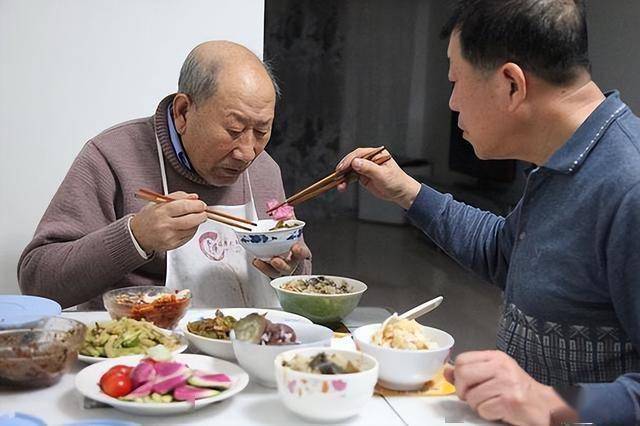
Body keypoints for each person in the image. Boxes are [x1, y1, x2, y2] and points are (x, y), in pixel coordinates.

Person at [336, 0, 640, 424]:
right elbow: (504, 251)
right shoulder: (564, 161)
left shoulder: (629, 185)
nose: (452, 102)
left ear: (511, 84)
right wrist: (408, 192)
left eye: (456, 81)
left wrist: (549, 401)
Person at [18, 41, 311, 310]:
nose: (247, 152)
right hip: (144, 343)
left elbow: (300, 275)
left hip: (247, 342)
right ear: (183, 112)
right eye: (234, 130)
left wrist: (290, 269)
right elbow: (37, 283)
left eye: (261, 131)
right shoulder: (111, 157)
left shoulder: (264, 169)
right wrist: (136, 236)